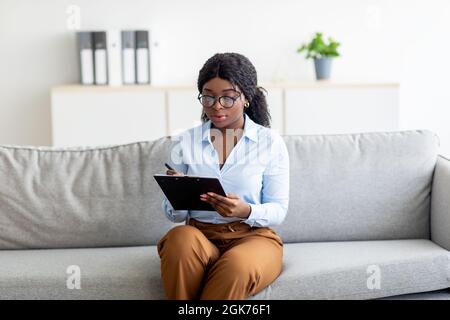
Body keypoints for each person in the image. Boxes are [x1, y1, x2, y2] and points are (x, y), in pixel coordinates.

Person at [157, 52, 290, 300]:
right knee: (179, 240)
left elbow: (279, 209)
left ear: (246, 98)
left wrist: (246, 211)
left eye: (227, 98)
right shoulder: (186, 142)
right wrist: (178, 194)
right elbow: (174, 216)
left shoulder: (269, 142)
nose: (216, 106)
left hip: (252, 238)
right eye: (208, 97)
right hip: (200, 235)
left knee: (236, 267)